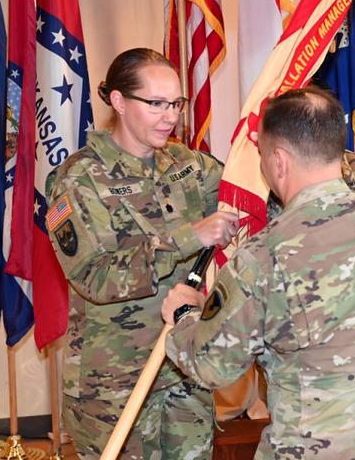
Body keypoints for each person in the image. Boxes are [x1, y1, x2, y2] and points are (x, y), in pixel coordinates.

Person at [161, 87, 355, 458]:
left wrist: (184, 314)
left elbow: (212, 366)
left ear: (278, 160)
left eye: (261, 154)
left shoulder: (264, 256)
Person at [44, 48, 239, 460]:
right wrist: (190, 237)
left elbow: (248, 191)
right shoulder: (79, 179)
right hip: (114, 384)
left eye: (176, 104)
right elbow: (94, 277)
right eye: (156, 104)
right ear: (118, 101)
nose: (170, 116)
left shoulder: (186, 164)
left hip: (183, 367)